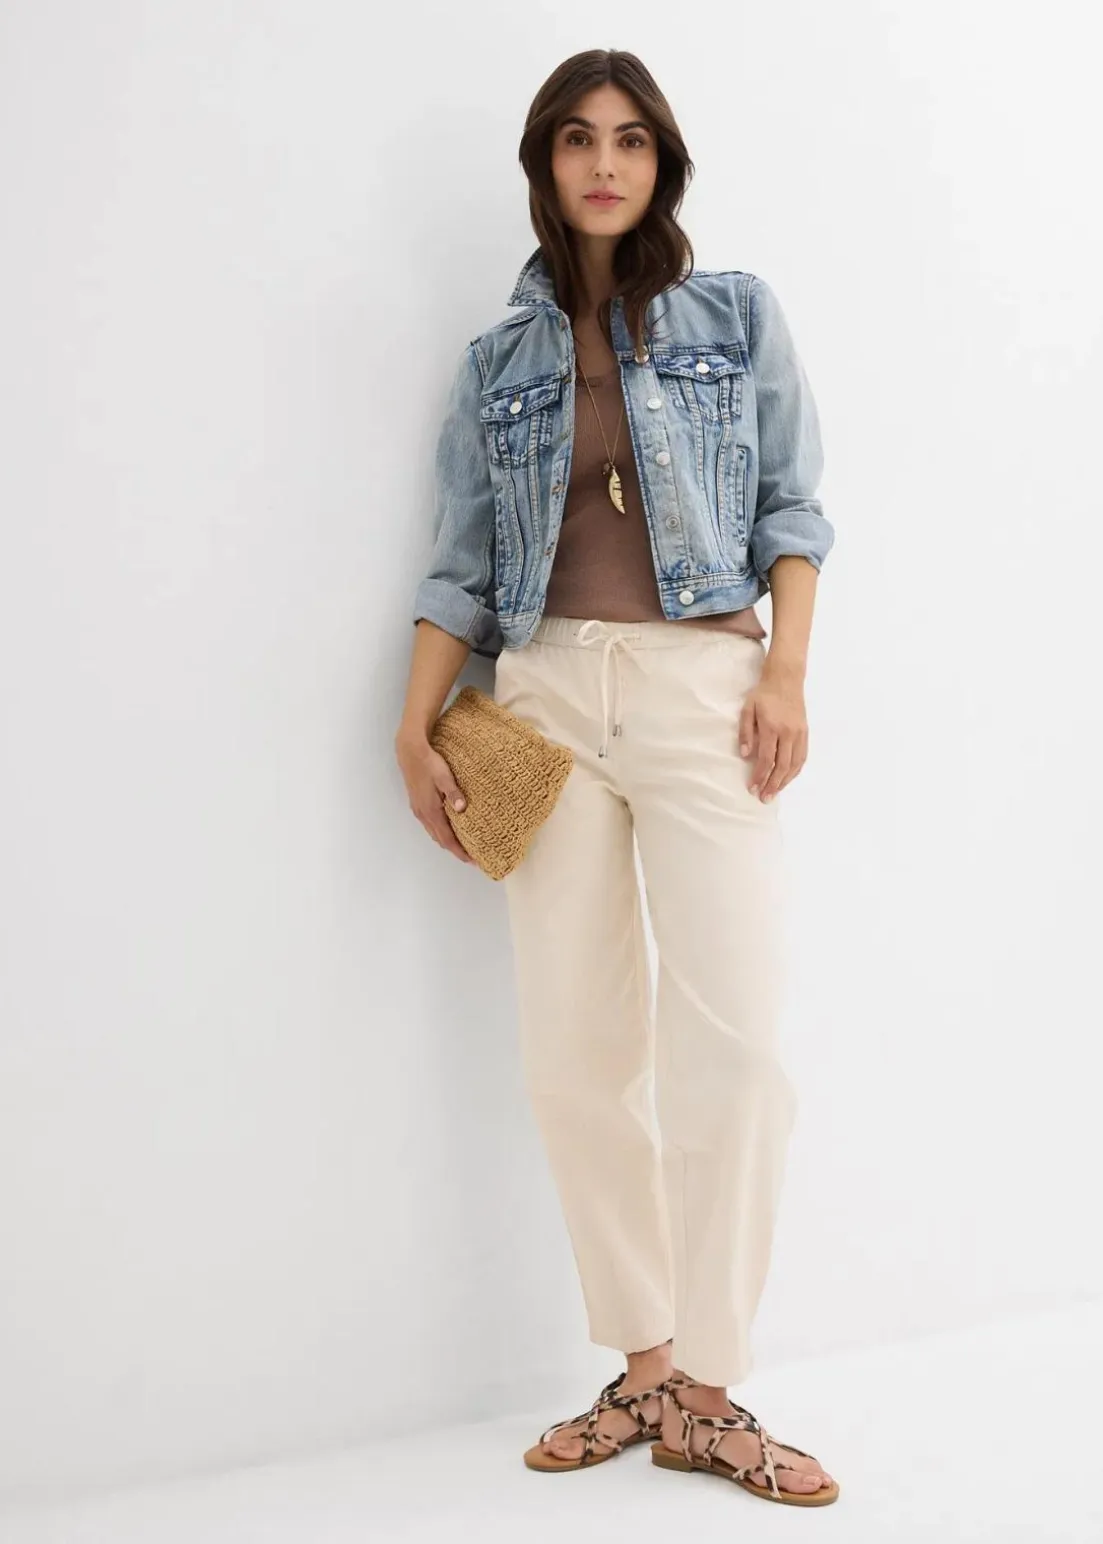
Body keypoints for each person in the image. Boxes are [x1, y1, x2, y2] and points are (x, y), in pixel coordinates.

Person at [394, 48, 839, 1508]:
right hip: (543, 700)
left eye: (632, 140)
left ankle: (711, 1390)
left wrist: (783, 673)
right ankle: (645, 1366)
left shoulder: (735, 313)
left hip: (703, 689)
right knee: (576, 1053)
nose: (604, 163)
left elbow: (793, 508)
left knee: (740, 1047)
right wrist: (415, 724)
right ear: (545, 164)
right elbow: (462, 565)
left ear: (663, 163)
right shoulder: (496, 362)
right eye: (578, 139)